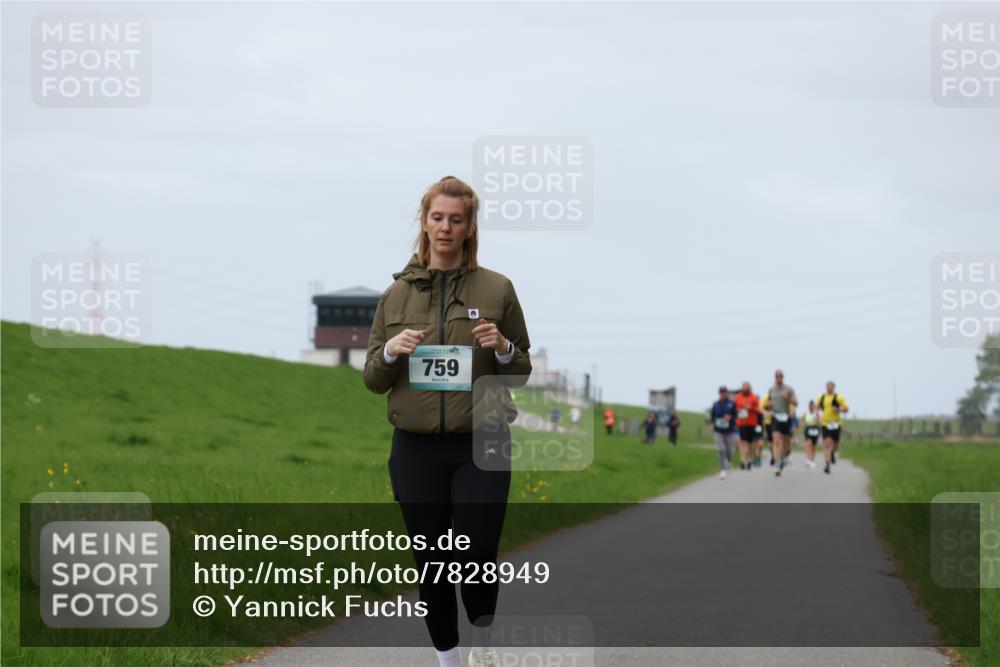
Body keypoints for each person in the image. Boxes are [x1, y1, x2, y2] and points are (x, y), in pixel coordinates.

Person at [363, 175, 532, 667]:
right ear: (424, 222)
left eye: (455, 219)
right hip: (416, 450)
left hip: (482, 443)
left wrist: (500, 347)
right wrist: (391, 350)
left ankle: (482, 648)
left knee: (478, 555)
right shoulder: (395, 296)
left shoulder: (497, 288)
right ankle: (449, 660)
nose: (445, 227)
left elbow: (520, 370)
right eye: (437, 217)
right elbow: (374, 379)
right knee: (432, 565)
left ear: (469, 226)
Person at [765, 369, 798, 477]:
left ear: (783, 377)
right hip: (776, 417)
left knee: (786, 444)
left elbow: (796, 402)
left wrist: (787, 398)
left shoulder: (789, 389)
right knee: (776, 440)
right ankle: (777, 462)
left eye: (780, 376)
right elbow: (769, 403)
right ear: (775, 377)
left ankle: (784, 458)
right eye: (777, 376)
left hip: (786, 417)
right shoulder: (771, 389)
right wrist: (769, 406)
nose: (778, 378)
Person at [817, 381, 849, 474]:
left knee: (835, 445)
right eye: (828, 387)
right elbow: (816, 407)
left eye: (831, 387)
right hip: (825, 423)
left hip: (836, 424)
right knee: (827, 444)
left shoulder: (838, 397)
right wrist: (818, 416)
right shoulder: (822, 397)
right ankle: (827, 464)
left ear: (834, 388)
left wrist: (838, 409)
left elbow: (846, 409)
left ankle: (832, 453)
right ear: (826, 387)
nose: (829, 388)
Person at [710, 386, 738, 479]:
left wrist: (730, 417)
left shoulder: (731, 404)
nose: (723, 394)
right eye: (721, 392)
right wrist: (712, 424)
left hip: (729, 430)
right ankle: (722, 470)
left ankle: (729, 460)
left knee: (729, 450)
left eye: (724, 392)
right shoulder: (716, 404)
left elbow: (736, 415)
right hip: (718, 430)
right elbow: (712, 416)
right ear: (719, 393)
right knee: (721, 449)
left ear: (727, 393)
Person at [732, 382, 760, 470]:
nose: (745, 389)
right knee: (743, 442)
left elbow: (758, 410)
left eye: (747, 387)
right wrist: (738, 409)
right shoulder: (737, 397)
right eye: (744, 387)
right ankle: (743, 460)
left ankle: (749, 460)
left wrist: (751, 407)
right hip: (741, 422)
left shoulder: (753, 397)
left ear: (750, 388)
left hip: (751, 423)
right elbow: (734, 409)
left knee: (751, 443)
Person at [802, 400, 822, 469]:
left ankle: (812, 460)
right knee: (809, 444)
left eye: (812, 406)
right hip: (808, 428)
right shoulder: (806, 413)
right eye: (810, 406)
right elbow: (802, 419)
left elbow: (820, 421)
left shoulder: (816, 413)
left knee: (813, 446)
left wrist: (817, 415)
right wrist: (803, 424)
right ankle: (808, 459)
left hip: (815, 429)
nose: (811, 407)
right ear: (808, 406)